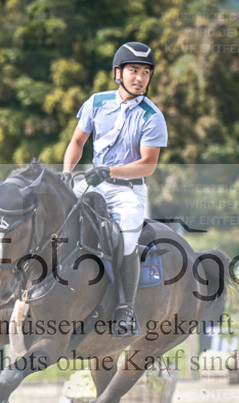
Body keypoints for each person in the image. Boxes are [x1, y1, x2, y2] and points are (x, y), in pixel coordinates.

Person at [61, 40, 168, 336]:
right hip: (92, 180)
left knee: (127, 238)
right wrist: (67, 174)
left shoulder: (152, 116)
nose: (140, 78)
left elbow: (148, 164)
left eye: (146, 72)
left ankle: (125, 307)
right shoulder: (96, 102)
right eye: (134, 70)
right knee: (55, 214)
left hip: (127, 191)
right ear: (117, 73)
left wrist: (109, 170)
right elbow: (77, 142)